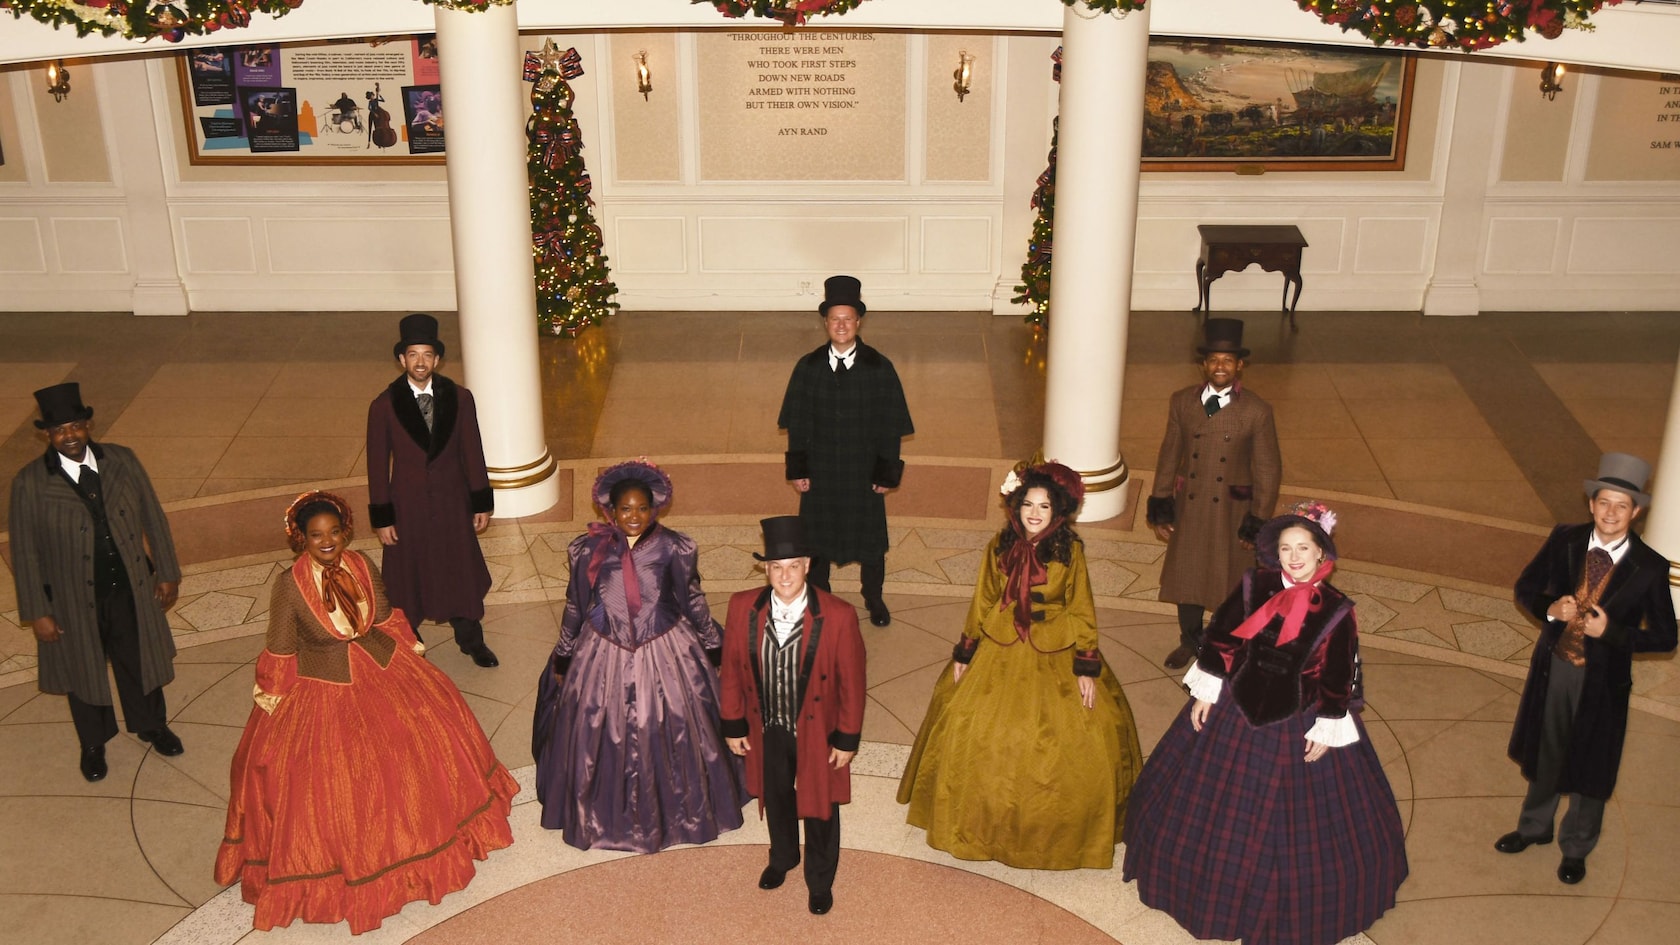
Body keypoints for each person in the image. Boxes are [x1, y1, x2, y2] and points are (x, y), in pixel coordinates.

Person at [215, 492, 516, 934]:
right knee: (334, 779)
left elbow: (386, 613)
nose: (328, 541)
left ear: (346, 532)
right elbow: (280, 646)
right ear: (300, 539)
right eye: (317, 535)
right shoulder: (289, 584)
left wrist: (410, 652)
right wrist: (274, 697)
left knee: (419, 745)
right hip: (323, 681)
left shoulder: (360, 563)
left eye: (335, 532)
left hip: (381, 663)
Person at [1123, 501, 1407, 945]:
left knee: (1295, 822)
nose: (1295, 557)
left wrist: (1329, 726)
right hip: (1237, 706)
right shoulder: (1255, 585)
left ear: (1321, 555)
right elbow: (1223, 636)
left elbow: (1338, 674)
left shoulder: (1336, 609)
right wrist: (1207, 690)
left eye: (1304, 548)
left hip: (1299, 719)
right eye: (1286, 548)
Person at [897, 459, 1142, 869]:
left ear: (1058, 511)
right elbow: (984, 599)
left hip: (1055, 646)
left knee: (1069, 739)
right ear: (1016, 505)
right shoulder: (998, 545)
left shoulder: (1071, 549)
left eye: (1044, 507)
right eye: (1028, 504)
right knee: (971, 729)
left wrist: (1086, 665)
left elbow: (1081, 607)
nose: (1033, 513)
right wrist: (966, 652)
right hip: (1000, 640)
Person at [533, 460, 747, 851]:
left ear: (655, 509)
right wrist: (564, 656)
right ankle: (605, 817)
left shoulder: (674, 547)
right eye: (626, 509)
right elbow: (576, 606)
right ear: (609, 511)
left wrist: (714, 647)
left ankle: (682, 814)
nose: (635, 516)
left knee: (679, 726)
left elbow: (692, 599)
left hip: (666, 647)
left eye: (643, 508)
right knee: (597, 731)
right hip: (602, 648)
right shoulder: (586, 550)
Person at [1497, 453, 1677, 885]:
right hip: (1555, 666)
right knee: (1547, 748)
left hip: (1603, 681)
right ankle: (1534, 827)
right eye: (1604, 502)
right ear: (1591, 503)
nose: (1610, 513)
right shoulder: (1566, 539)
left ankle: (1576, 846)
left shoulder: (1650, 567)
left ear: (1636, 512)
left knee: (1591, 759)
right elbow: (1526, 586)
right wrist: (1549, 608)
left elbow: (1668, 638)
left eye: (1622, 506)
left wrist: (1612, 632)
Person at [9, 383, 183, 782]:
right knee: (83, 670)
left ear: (88, 425)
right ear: (47, 436)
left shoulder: (123, 460)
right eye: (58, 431)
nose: (68, 436)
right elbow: (25, 553)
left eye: (75, 426)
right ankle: (93, 744)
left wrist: (168, 572)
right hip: (70, 599)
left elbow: (153, 518)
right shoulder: (29, 483)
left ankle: (151, 724)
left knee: (139, 659)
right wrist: (38, 611)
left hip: (131, 589)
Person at [720, 516, 867, 916]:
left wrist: (846, 738)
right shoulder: (741, 607)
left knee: (820, 805)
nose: (785, 576)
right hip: (767, 726)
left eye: (794, 566)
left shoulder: (837, 615)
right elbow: (731, 668)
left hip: (819, 731)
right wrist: (732, 723)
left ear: (807, 565)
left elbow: (852, 683)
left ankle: (820, 880)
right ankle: (783, 856)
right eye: (776, 567)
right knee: (777, 795)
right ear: (765, 569)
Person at [778, 274, 914, 628]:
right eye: (834, 319)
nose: (841, 325)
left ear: (858, 321)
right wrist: (799, 471)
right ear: (825, 322)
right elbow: (798, 426)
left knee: (870, 544)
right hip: (821, 474)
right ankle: (821, 600)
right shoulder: (807, 368)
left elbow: (890, 426)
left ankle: (874, 597)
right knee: (818, 544)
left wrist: (886, 475)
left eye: (848, 318)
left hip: (862, 474)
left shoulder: (880, 368)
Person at [1147, 316, 1281, 670]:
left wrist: (1257, 522)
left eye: (1227, 361)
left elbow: (1268, 470)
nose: (1219, 366)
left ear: (1239, 366)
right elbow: (1168, 454)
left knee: (1227, 583)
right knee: (1187, 577)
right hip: (1190, 508)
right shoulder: (1182, 402)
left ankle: (1225, 646)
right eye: (1213, 360)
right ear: (1203, 365)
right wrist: (1162, 505)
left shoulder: (1256, 411)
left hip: (1231, 512)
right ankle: (1190, 641)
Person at [366, 313, 499, 668]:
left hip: (453, 504)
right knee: (409, 579)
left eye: (427, 354)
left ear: (437, 359)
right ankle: (411, 644)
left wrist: (480, 502)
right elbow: (377, 466)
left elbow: (473, 451)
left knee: (458, 572)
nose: (420, 362)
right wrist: (383, 517)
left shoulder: (459, 398)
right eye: (413, 355)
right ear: (401, 360)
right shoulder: (383, 406)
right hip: (407, 507)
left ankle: (471, 640)